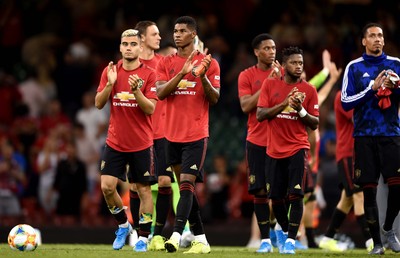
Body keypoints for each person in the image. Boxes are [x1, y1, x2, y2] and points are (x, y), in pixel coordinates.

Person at [156, 15, 221, 254]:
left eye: (182, 31)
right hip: (171, 134)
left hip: (195, 134)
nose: (176, 34)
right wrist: (182, 74)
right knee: (186, 189)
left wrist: (201, 76)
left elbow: (214, 98)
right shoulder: (165, 62)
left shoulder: (209, 63)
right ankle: (202, 240)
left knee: (186, 184)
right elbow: (160, 93)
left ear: (193, 35)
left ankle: (175, 234)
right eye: (175, 30)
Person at [95, 28, 158, 252]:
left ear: (140, 47)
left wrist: (137, 91)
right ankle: (123, 225)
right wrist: (111, 84)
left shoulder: (150, 73)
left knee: (143, 191)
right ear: (120, 47)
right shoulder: (110, 71)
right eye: (125, 44)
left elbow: (151, 108)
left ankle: (143, 237)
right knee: (107, 187)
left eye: (133, 44)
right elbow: (98, 103)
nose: (129, 48)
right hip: (115, 142)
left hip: (141, 143)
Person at [341, 22, 400, 255]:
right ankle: (376, 243)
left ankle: (388, 230)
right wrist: (372, 89)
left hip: (391, 134)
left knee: (397, 189)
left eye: (380, 36)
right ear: (363, 41)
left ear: (384, 41)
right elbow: (346, 102)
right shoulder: (354, 67)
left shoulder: (396, 65)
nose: (377, 39)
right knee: (369, 191)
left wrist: (395, 87)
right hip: (364, 136)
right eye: (372, 36)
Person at [256, 46, 319, 254]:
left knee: (296, 195)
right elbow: (260, 114)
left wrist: (300, 109)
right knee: (275, 199)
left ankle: (291, 241)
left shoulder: (309, 90)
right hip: (274, 150)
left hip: (298, 148)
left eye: (301, 63)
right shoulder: (270, 85)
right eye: (294, 62)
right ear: (283, 66)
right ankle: (284, 231)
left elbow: (315, 123)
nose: (299, 66)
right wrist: (285, 103)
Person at [237, 33, 281, 253]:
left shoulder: (285, 73)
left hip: (282, 142)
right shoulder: (246, 76)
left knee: (281, 194)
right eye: (266, 48)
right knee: (261, 193)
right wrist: (268, 83)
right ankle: (265, 240)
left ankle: (280, 231)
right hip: (257, 141)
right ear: (256, 52)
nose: (272, 51)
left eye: (273, 48)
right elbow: (246, 106)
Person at [318, 89, 373, 252]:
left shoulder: (358, 95)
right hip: (348, 153)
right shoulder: (343, 96)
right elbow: (359, 120)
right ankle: (371, 241)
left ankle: (327, 238)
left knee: (347, 199)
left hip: (356, 153)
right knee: (358, 195)